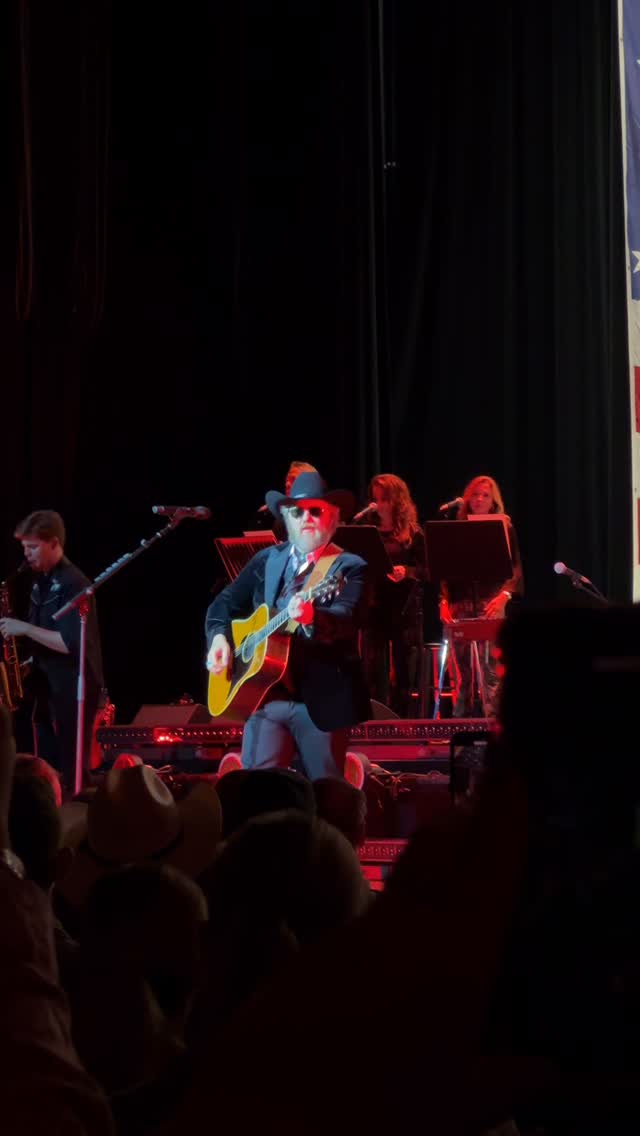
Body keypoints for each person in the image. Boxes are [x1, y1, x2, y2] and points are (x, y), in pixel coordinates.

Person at [206, 470, 371, 780]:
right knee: (258, 795)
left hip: (321, 702)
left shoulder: (348, 567)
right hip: (265, 696)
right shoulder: (267, 559)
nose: (305, 517)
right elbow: (223, 604)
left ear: (333, 518)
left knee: (326, 799)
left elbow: (348, 620)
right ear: (286, 517)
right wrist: (218, 639)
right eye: (297, 511)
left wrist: (312, 617)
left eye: (315, 510)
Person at [0, 510, 104, 795]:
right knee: (45, 768)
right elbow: (42, 636)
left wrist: (23, 628)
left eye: (33, 547)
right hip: (47, 685)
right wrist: (26, 663)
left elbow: (69, 643)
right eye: (24, 548)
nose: (27, 555)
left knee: (72, 771)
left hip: (72, 686)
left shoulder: (75, 583)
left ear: (54, 544)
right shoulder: (39, 581)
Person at [439, 475, 523, 717]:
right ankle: (458, 722)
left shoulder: (504, 527)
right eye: (475, 494)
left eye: (485, 495)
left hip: (490, 602)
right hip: (459, 602)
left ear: (493, 501)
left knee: (491, 671)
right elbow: (445, 570)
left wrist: (504, 596)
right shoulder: (456, 527)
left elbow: (515, 569)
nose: (479, 499)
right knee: (461, 671)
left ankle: (493, 722)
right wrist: (443, 601)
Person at [354, 473, 426, 717]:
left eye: (384, 499)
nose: (379, 505)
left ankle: (401, 722)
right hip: (375, 607)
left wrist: (406, 571)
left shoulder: (414, 533)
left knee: (403, 670)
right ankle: (376, 721)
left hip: (404, 610)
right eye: (375, 499)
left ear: (397, 501)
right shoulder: (366, 530)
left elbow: (429, 570)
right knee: (373, 669)